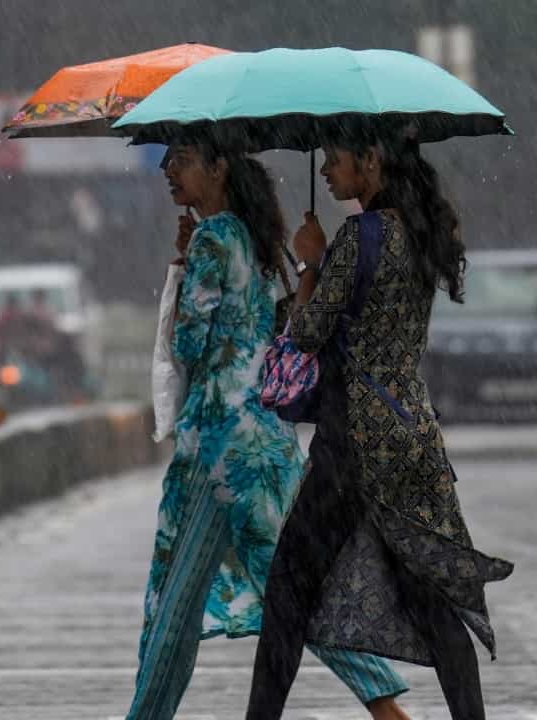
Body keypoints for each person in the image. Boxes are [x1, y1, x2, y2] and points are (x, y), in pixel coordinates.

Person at [127, 136, 409, 719]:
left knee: (177, 605)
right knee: (295, 589)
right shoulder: (256, 239)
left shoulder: (211, 238)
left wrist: (182, 268)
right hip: (264, 441)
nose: (166, 171)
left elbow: (189, 343)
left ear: (218, 166)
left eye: (179, 159)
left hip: (217, 450)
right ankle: (385, 707)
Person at [246, 125, 513, 720]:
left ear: (371, 162)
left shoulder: (360, 235)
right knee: (428, 601)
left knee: (288, 592)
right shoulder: (421, 235)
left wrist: (308, 262)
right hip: (410, 435)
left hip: (351, 444)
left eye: (335, 161)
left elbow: (308, 332)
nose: (326, 172)